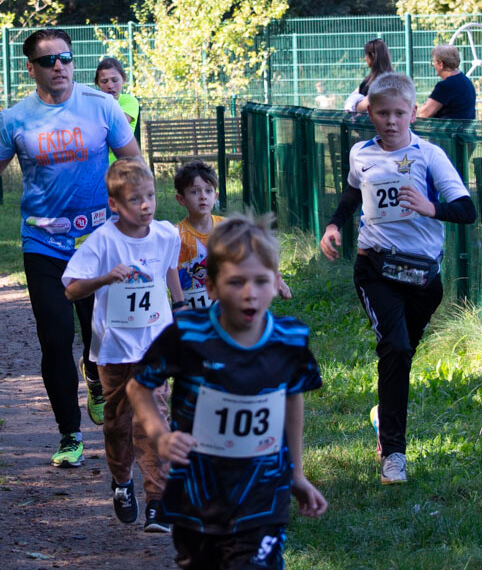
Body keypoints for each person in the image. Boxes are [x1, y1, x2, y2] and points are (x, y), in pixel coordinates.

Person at [0, 28, 142, 468]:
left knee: (101, 334)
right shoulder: (15, 119)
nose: (59, 66)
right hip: (44, 243)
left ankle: (95, 376)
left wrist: (138, 218)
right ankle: (69, 434)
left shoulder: (102, 106)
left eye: (66, 58)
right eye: (48, 60)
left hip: (98, 242)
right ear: (30, 68)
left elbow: (132, 162)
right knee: (54, 338)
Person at [128, 215, 328, 569]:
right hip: (196, 497)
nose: (250, 293)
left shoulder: (290, 340)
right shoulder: (188, 335)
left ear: (276, 282)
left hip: (263, 497)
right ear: (211, 287)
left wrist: (296, 473)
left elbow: (292, 396)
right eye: (236, 282)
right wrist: (160, 436)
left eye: (261, 281)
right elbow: (138, 386)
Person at [319, 72, 476, 484]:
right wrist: (334, 225)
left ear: (413, 113)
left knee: (399, 357)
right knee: (397, 347)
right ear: (370, 113)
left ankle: (383, 414)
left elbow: (467, 210)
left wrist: (430, 207)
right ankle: (393, 454)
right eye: (383, 113)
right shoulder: (361, 153)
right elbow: (352, 192)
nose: (391, 121)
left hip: (423, 277)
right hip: (375, 268)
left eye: (399, 114)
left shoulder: (430, 156)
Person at [62, 157, 184, 532]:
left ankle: (157, 502)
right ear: (114, 204)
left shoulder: (166, 235)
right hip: (113, 349)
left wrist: (180, 306)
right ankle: (121, 481)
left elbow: (169, 268)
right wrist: (104, 279)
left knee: (154, 420)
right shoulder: (102, 241)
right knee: (118, 424)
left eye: (150, 196)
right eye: (135, 199)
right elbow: (71, 290)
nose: (146, 206)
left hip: (154, 346)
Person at [174, 160, 292, 311]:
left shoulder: (227, 227)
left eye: (208, 191)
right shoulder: (174, 234)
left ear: (215, 196)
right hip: (189, 312)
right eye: (195, 191)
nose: (203, 196)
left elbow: (255, 253)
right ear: (181, 199)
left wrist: (276, 277)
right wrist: (179, 303)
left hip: (228, 309)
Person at [95, 57, 140, 163]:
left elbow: (116, 124)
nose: (110, 86)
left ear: (123, 79)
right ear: (97, 83)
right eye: (104, 81)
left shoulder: (129, 101)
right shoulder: (94, 104)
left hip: (123, 166)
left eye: (115, 80)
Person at [418, 44, 476, 120]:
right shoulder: (467, 81)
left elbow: (424, 114)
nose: (433, 65)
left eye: (433, 62)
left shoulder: (445, 86)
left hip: (448, 128)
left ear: (441, 64)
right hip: (465, 127)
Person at [346, 38, 394, 113]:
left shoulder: (382, 83)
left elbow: (364, 106)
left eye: (366, 55)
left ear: (372, 55)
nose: (365, 58)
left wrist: (354, 105)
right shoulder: (371, 79)